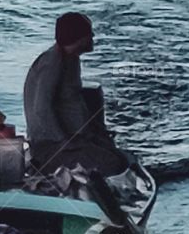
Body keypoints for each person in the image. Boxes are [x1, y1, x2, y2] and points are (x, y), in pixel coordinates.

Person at [23, 13, 126, 176]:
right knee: (113, 165)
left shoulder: (70, 59)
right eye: (88, 33)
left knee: (123, 158)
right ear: (77, 37)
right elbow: (41, 108)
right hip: (52, 147)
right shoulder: (52, 63)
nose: (92, 36)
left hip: (75, 139)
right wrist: (63, 141)